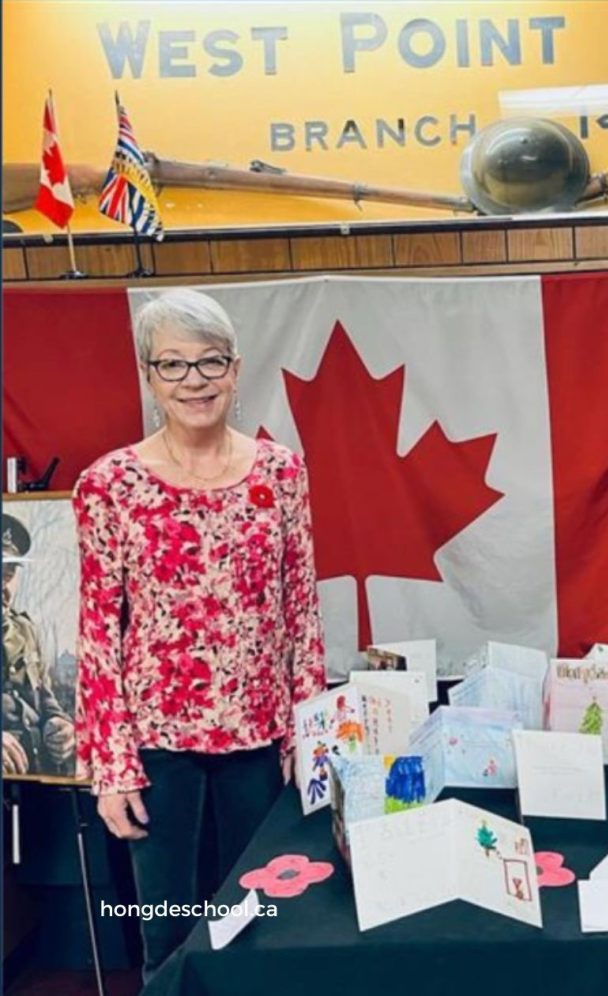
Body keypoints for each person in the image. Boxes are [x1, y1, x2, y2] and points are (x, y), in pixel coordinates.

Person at [73, 287, 326, 983]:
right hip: (158, 749)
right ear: (150, 377)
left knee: (262, 923)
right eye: (174, 365)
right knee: (167, 934)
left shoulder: (281, 473)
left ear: (236, 370)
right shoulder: (110, 484)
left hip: (260, 742)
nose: (195, 381)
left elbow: (301, 612)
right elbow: (98, 630)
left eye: (210, 362)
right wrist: (112, 766)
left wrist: (310, 737)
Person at [2, 512, 76, 777]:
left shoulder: (26, 629)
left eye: (9, 574)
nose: (3, 586)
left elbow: (44, 696)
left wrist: (60, 724)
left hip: (33, 771)